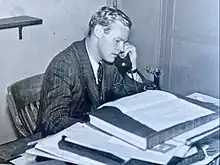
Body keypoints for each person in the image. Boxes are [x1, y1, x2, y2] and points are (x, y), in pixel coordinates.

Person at [35, 6, 146, 136]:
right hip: (61, 141)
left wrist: (132, 68)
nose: (122, 49)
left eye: (124, 42)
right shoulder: (64, 65)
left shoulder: (109, 62)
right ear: (98, 31)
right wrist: (99, 127)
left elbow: (124, 99)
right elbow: (54, 121)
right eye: (117, 41)